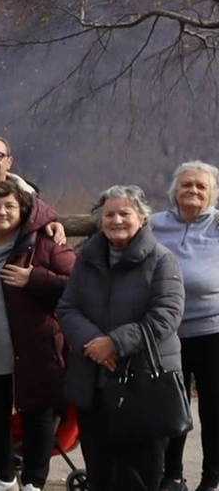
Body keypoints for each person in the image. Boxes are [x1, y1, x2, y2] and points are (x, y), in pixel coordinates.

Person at [59, 185, 184, 491]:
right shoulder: (86, 260)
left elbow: (166, 314)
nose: (116, 220)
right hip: (93, 382)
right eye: (109, 214)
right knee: (99, 472)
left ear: (141, 218)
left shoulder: (161, 259)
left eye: (125, 213)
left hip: (142, 384)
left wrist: (115, 343)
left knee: (139, 476)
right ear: (100, 220)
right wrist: (95, 344)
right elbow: (67, 307)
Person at [0, 178, 75, 491]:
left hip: (34, 345)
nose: (1, 211)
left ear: (24, 210)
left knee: (36, 412)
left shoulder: (42, 243)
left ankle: (33, 481)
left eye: (10, 206)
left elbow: (79, 285)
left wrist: (35, 278)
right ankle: (2, 475)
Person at [151, 161, 219, 491]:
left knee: (213, 408)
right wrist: (56, 226)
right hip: (167, 331)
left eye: (201, 187)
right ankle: (172, 475)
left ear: (213, 195)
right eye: (186, 184)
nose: (193, 190)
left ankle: (212, 478)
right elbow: (111, 222)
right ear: (174, 191)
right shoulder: (153, 225)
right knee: (171, 405)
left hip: (213, 331)